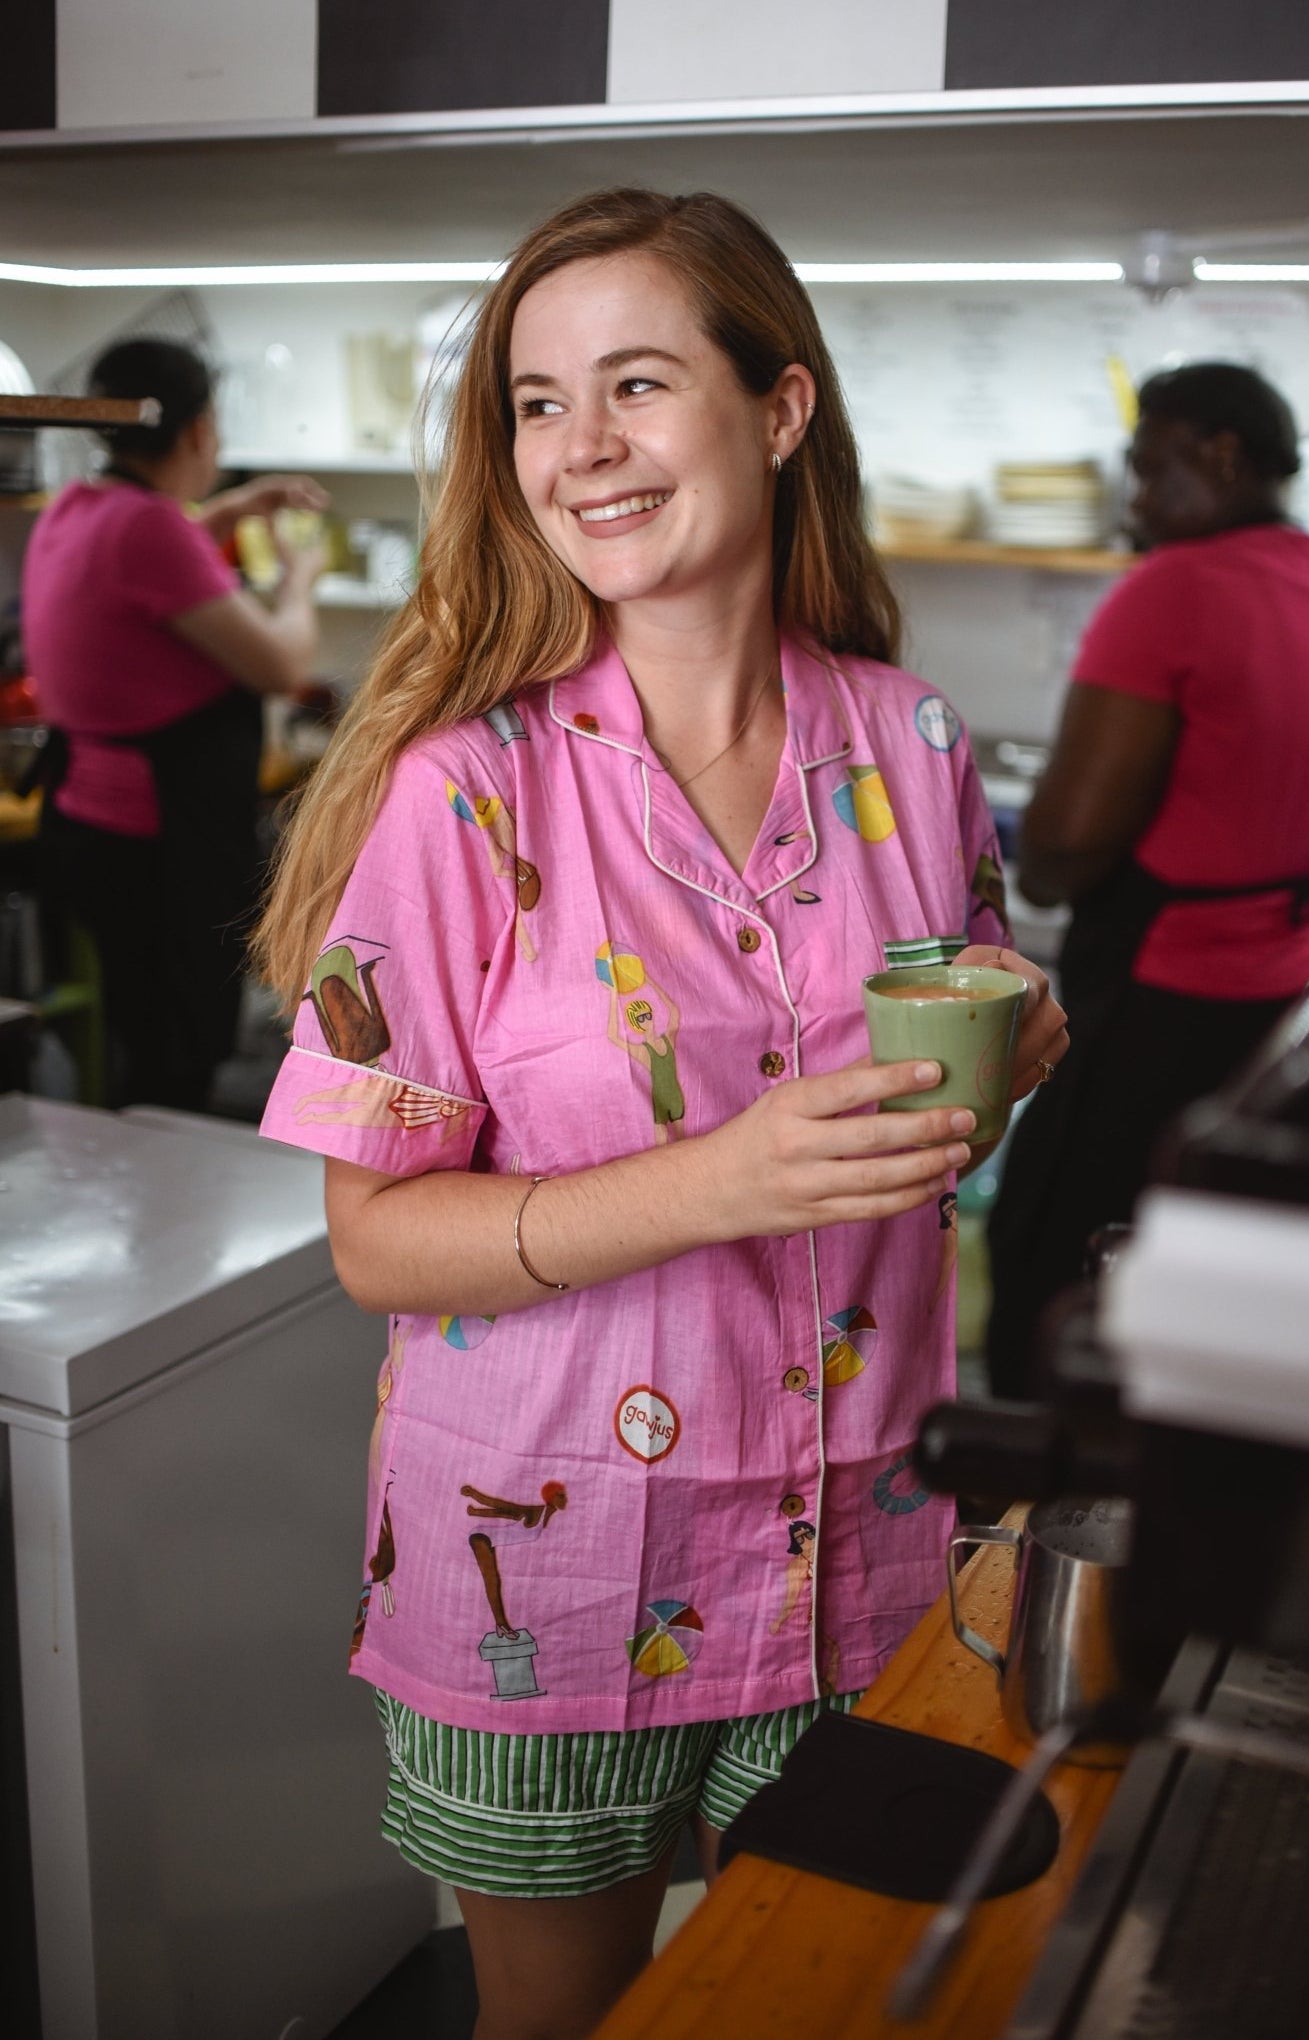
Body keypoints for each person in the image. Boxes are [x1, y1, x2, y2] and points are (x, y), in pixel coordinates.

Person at [253, 187, 1067, 2040]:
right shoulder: (467, 795)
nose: (580, 450)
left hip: (865, 1547)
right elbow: (376, 1241)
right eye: (537, 404)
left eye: (634, 383)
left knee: (825, 2000)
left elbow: (948, 1081)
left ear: (777, 410)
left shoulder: (911, 746)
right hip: (546, 1570)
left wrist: (1009, 1060)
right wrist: (717, 1181)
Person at [986, 360, 1309, 1400]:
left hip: (1167, 1004)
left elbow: (1061, 849)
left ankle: (1032, 1506)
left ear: (1221, 457)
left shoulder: (1168, 591)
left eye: (1149, 473)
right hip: (1304, 1003)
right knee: (1231, 1262)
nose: (1135, 506)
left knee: (1052, 1253)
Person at [22, 336, 329, 1109]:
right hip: (162, 841)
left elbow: (157, 545)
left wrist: (234, 506)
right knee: (173, 1043)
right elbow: (279, 668)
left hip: (92, 825)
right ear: (198, 432)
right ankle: (168, 1196)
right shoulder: (149, 531)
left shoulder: (79, 507)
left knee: (138, 1025)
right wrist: (299, 583)